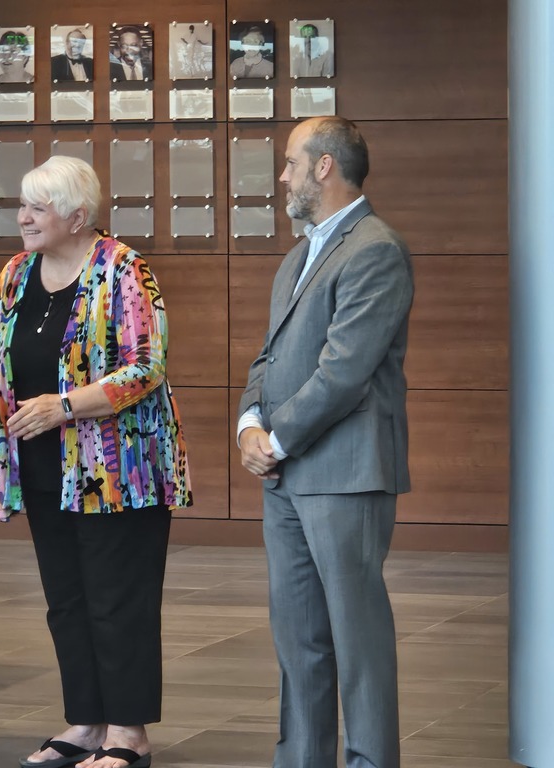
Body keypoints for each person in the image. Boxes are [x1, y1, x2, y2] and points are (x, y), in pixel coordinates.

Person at [0, 156, 192, 768]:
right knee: (67, 597)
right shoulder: (15, 274)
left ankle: (128, 734)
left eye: (37, 208)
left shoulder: (125, 270)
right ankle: (85, 722)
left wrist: (67, 406)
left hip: (118, 468)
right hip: (42, 462)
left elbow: (145, 367)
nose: (22, 217)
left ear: (78, 217)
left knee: (117, 596)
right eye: (21, 206)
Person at [237, 116, 413, 768]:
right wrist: (249, 425)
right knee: (299, 641)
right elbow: (269, 359)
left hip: (344, 475)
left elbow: (343, 372)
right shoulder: (296, 256)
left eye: (289, 163)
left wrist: (274, 440)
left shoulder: (375, 250)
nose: (281, 176)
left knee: (357, 641)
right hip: (287, 477)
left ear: (323, 168)